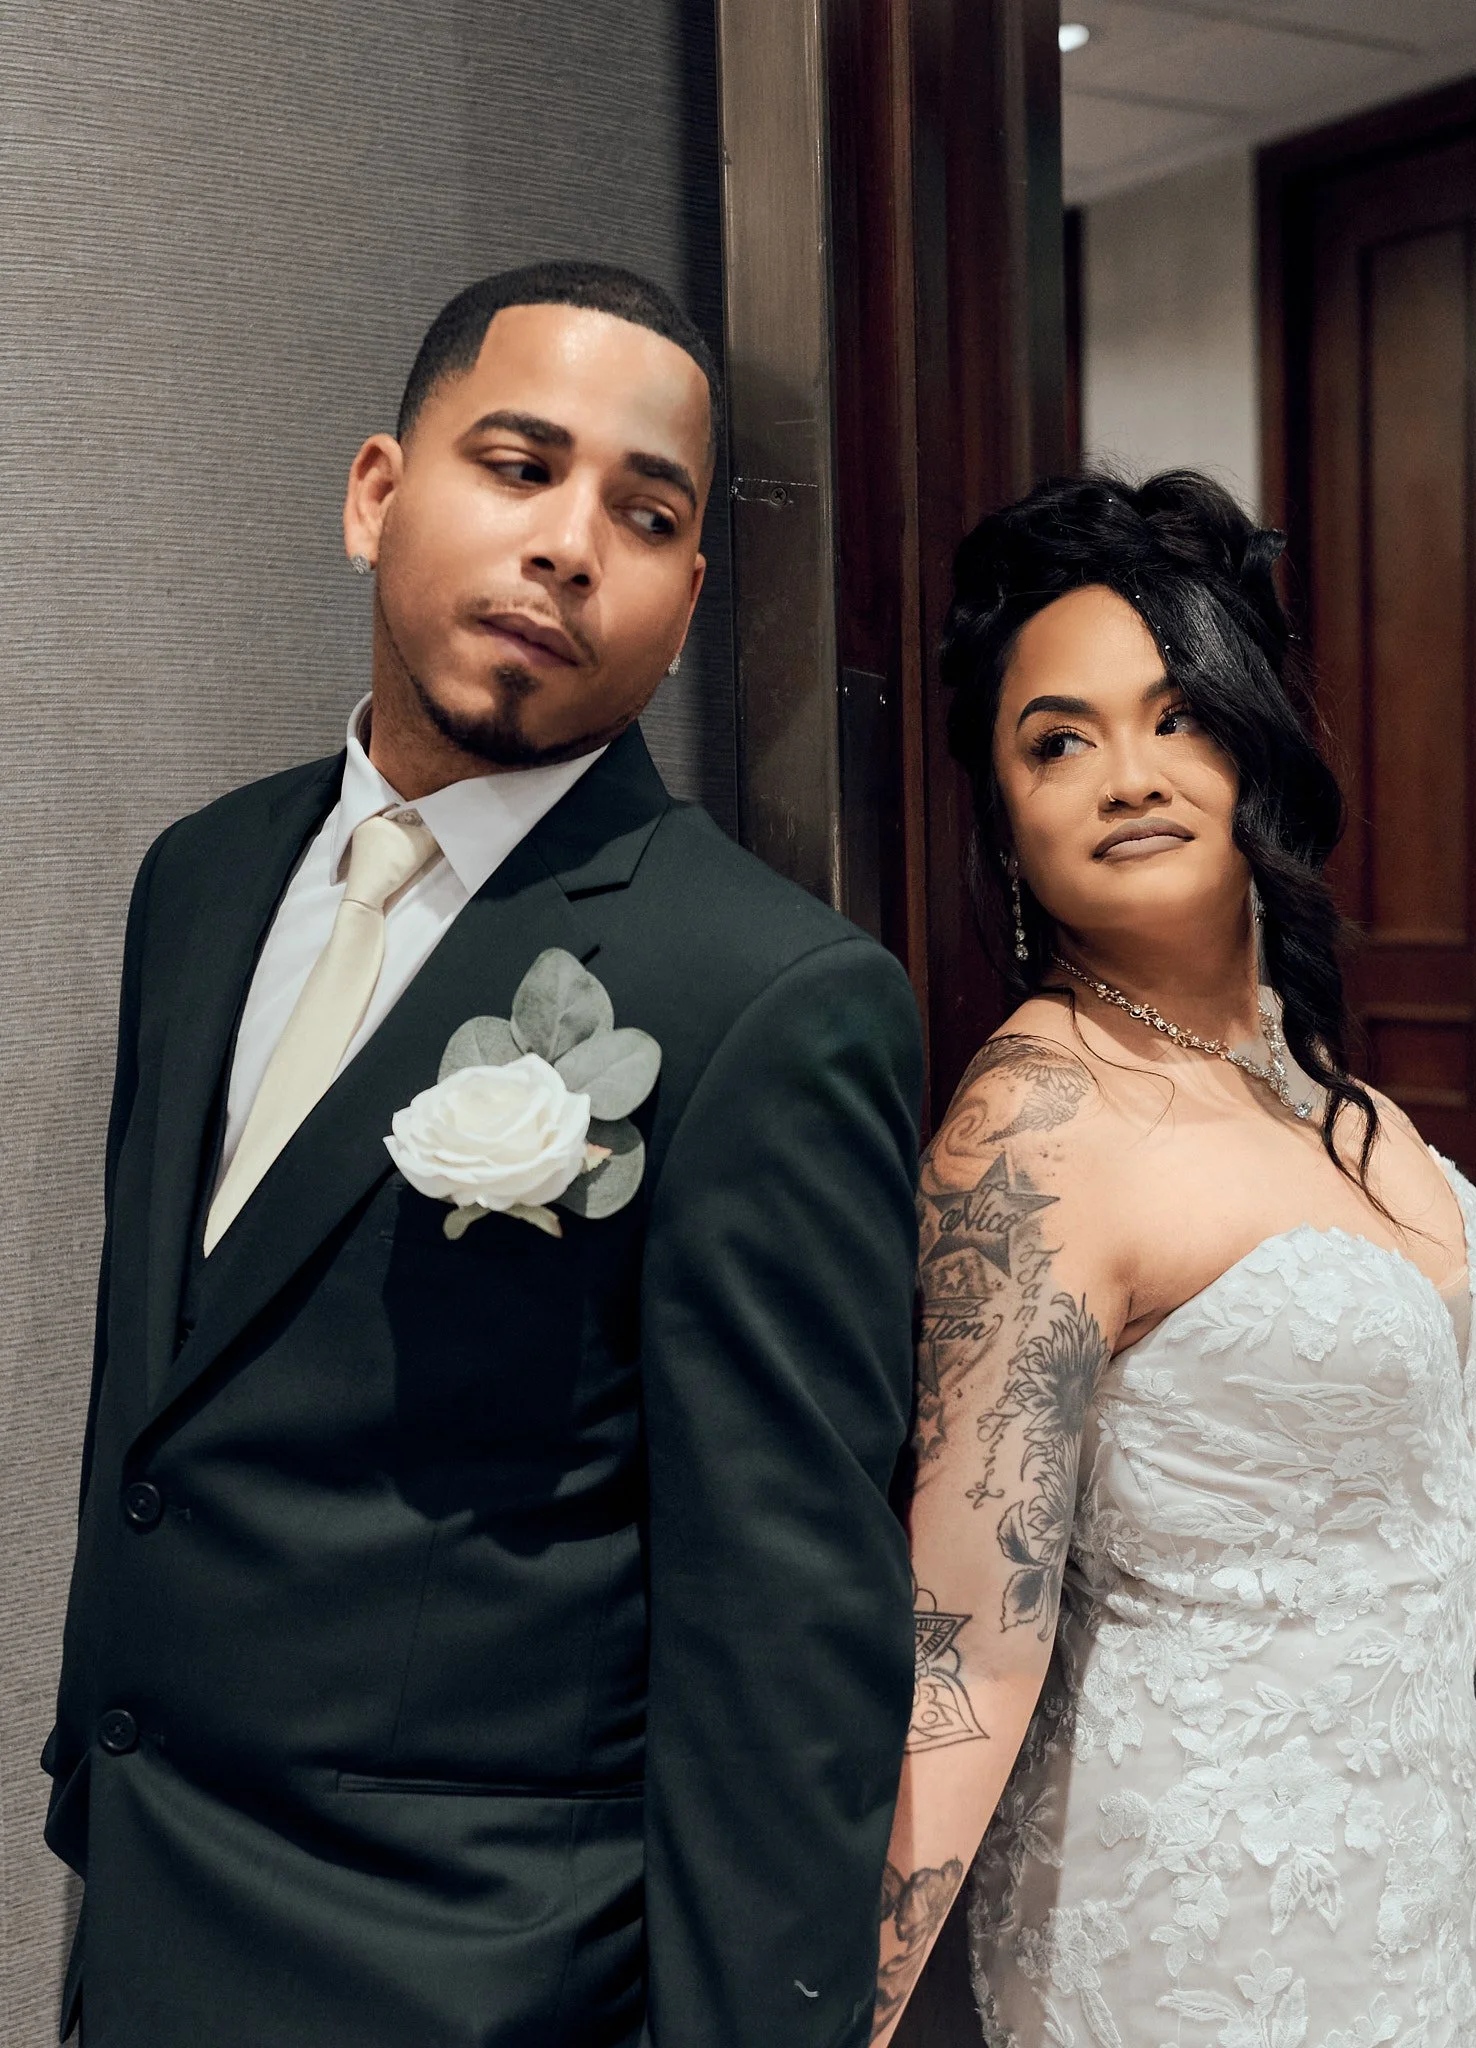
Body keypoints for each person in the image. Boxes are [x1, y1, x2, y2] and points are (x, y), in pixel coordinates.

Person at [44, 261, 923, 2048]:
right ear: (377, 492)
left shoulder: (764, 992)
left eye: (646, 511)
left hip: (484, 1985)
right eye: (518, 466)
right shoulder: (199, 880)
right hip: (147, 1912)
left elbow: (787, 1654)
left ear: (684, 602)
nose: (570, 543)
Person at [872, 472, 1476, 2046]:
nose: (1124, 776)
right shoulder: (1033, 1135)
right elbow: (961, 1645)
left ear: (1252, 742)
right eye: (1057, 739)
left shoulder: (1298, 1065)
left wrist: (1463, 1828)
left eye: (1175, 716)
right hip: (1188, 1926)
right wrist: (845, 2006)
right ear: (1005, 820)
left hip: (1415, 1860)